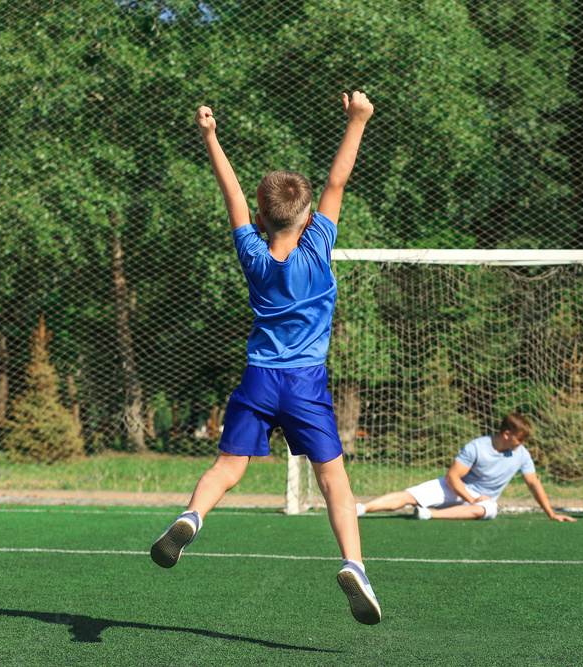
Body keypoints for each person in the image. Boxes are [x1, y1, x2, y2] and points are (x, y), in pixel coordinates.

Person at [150, 91, 381, 626]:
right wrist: (358, 119)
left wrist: (210, 135)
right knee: (333, 481)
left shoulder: (252, 254)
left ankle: (191, 515)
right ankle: (354, 565)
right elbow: (337, 182)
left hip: (259, 379)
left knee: (228, 467)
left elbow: (229, 191)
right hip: (304, 384)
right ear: (307, 218)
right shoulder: (318, 243)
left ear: (260, 216)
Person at [357, 413, 576, 522]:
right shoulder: (477, 447)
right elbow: (453, 477)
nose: (523, 444)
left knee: (488, 509)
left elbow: (533, 484)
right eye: (520, 439)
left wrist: (551, 513)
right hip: (454, 487)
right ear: (507, 434)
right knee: (408, 495)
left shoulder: (522, 454)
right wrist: (471, 498)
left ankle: (429, 514)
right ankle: (361, 509)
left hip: (483, 499)